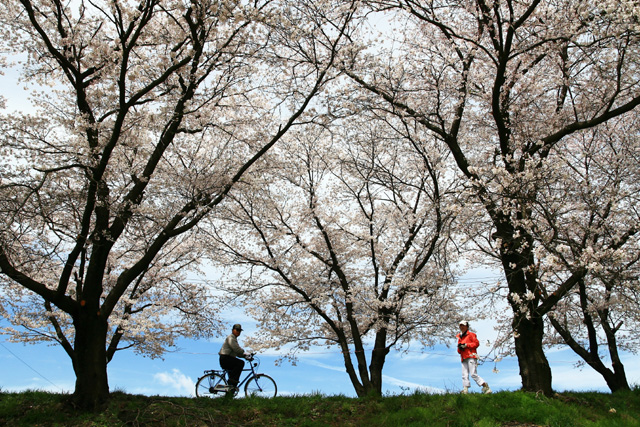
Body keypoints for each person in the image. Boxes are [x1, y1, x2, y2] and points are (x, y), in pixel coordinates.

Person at [456, 320, 491, 394]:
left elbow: (476, 343)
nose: (462, 327)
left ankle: (485, 386)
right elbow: (458, 351)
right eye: (460, 326)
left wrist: (466, 345)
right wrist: (460, 348)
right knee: (464, 374)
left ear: (467, 326)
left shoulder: (471, 335)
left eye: (463, 325)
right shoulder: (460, 337)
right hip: (463, 357)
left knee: (473, 374)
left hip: (471, 355)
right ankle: (465, 389)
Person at [219, 323, 252, 394]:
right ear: (233, 330)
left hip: (227, 359)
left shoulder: (234, 338)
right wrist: (244, 353)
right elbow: (236, 349)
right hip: (225, 359)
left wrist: (245, 356)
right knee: (240, 363)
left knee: (235, 368)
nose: (238, 332)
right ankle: (232, 384)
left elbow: (237, 353)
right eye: (237, 330)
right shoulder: (231, 338)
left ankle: (230, 390)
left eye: (239, 330)